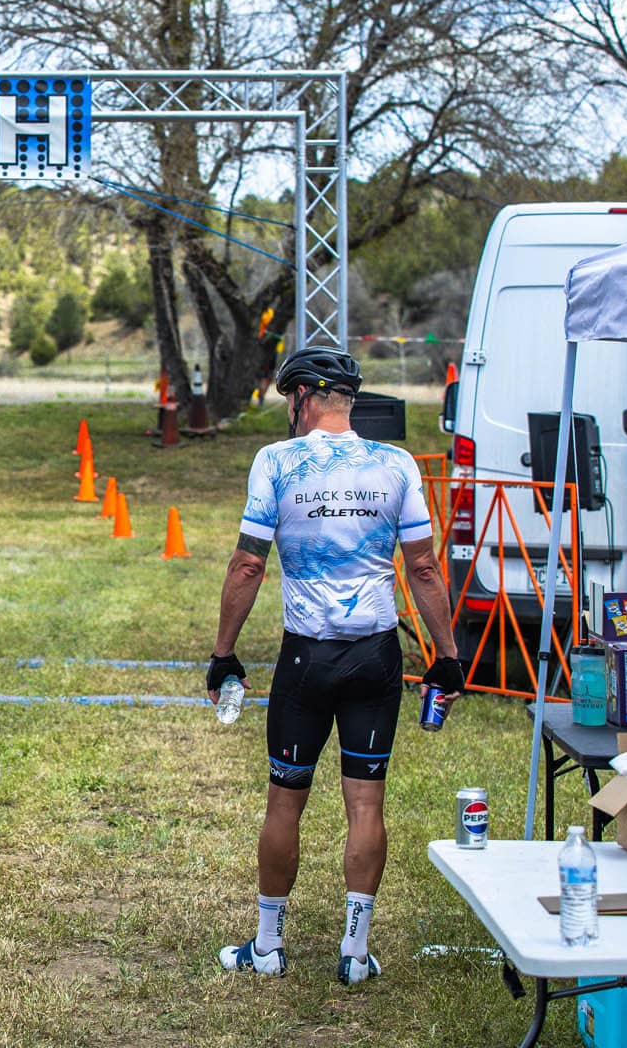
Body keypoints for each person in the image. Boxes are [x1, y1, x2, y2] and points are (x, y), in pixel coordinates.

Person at [208, 346, 464, 985]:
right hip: (376, 653)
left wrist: (223, 653)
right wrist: (447, 656)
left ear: (302, 397)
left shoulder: (276, 462)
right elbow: (424, 566)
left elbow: (249, 564)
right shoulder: (396, 464)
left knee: (285, 802)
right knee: (366, 803)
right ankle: (354, 951)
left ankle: (268, 945)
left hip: (308, 655)